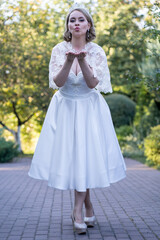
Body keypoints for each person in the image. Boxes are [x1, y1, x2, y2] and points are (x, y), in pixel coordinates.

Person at [28, 4, 126, 235]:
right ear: (68, 26)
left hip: (89, 110)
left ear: (88, 25)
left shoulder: (97, 52)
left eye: (81, 20)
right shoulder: (58, 49)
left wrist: (82, 61)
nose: (76, 24)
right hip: (64, 110)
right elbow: (58, 82)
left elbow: (93, 84)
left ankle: (77, 210)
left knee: (85, 156)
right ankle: (88, 204)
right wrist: (68, 60)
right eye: (72, 20)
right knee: (75, 158)